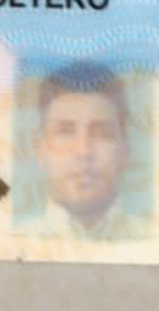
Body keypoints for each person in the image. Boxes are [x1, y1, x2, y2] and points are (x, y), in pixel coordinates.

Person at [30, 64, 135, 238]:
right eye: (66, 132)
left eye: (101, 133)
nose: (83, 151)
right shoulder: (11, 241)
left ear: (125, 151)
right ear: (40, 150)